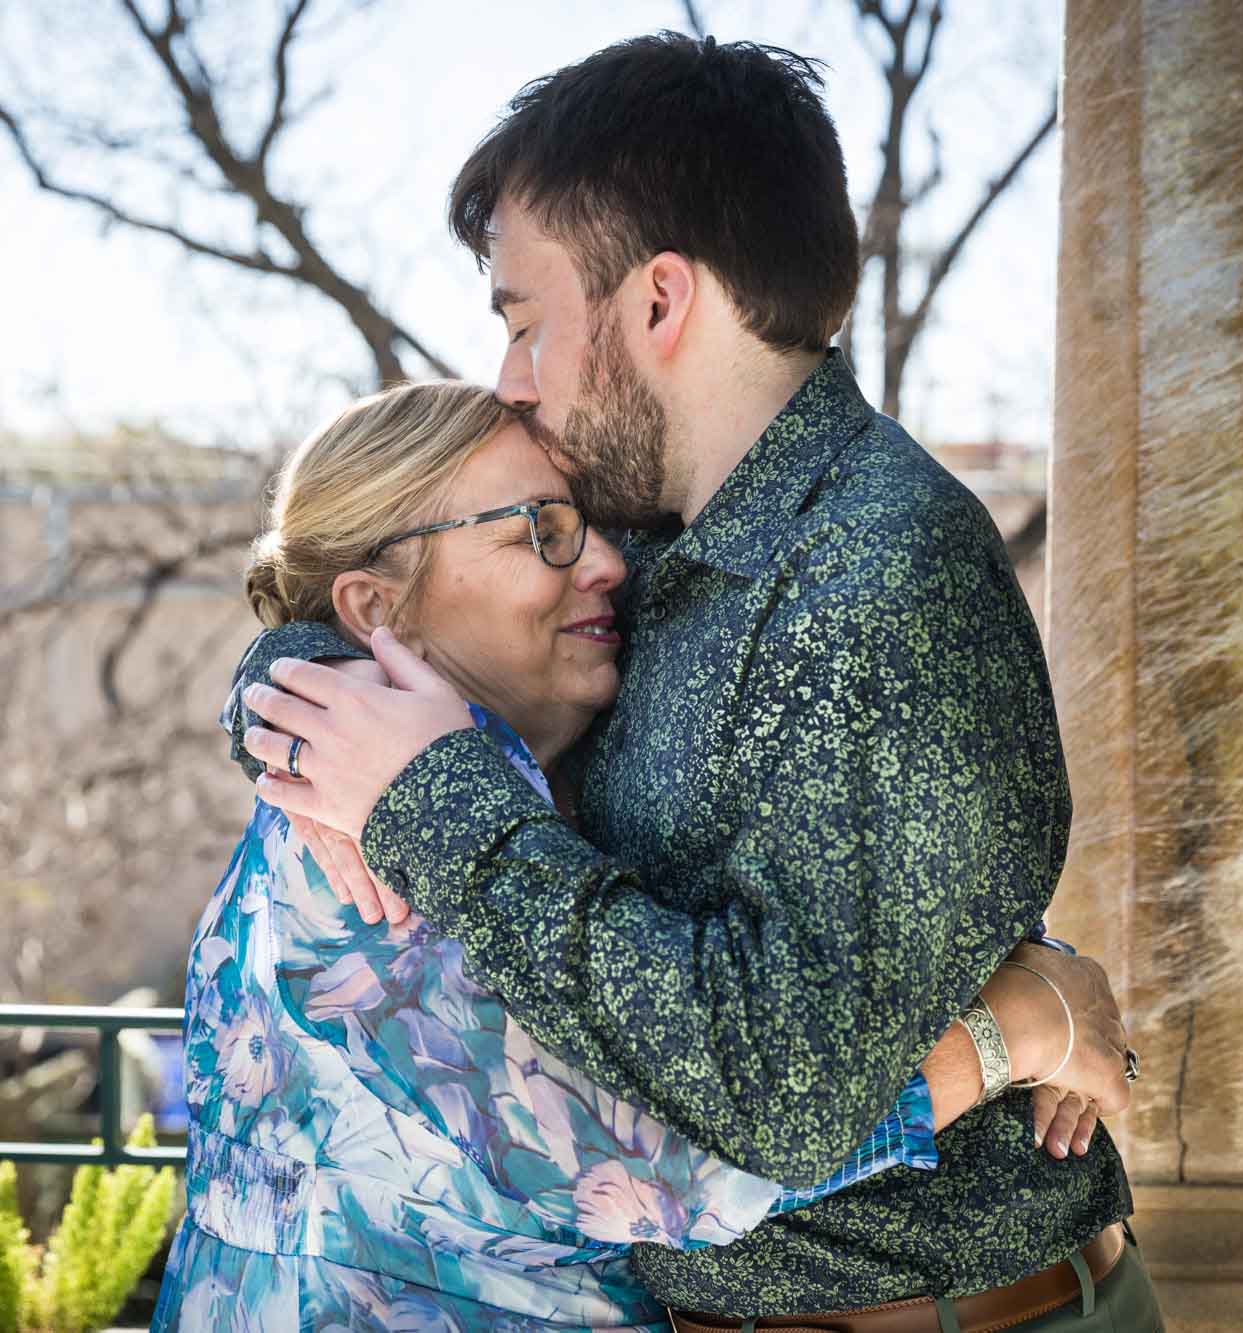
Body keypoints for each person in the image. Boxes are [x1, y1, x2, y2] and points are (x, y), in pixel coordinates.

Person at [233, 33, 1163, 1333]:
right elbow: (378, 600)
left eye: (526, 320)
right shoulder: (652, 543)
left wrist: (433, 804)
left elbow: (780, 1098)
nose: (511, 375)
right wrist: (296, 687)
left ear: (660, 301)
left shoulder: (882, 576)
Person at [154, 381, 1118, 1331]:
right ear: (375, 607)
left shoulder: (486, 775)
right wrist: (1021, 1029)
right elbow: (685, 1159)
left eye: (594, 523)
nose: (611, 563)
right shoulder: (370, 855)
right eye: (542, 529)